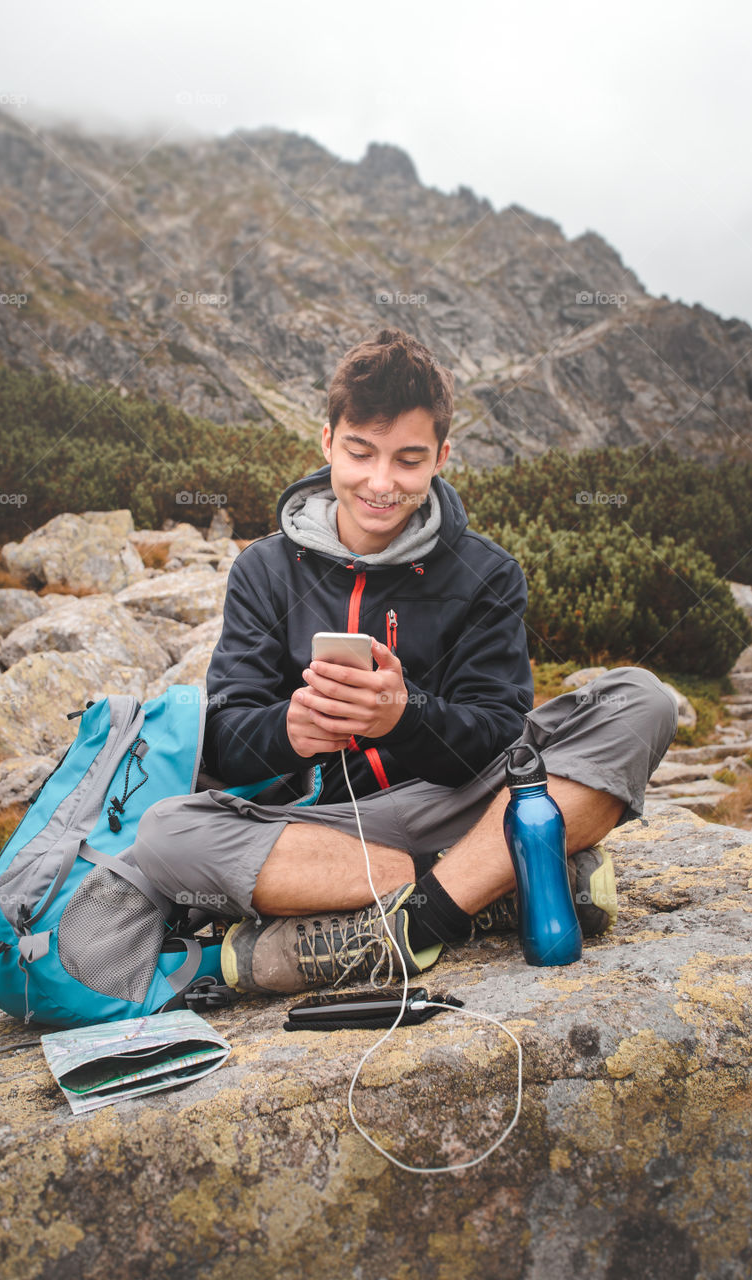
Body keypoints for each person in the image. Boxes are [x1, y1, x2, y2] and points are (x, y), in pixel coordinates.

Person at [130, 329, 677, 995]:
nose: (380, 483)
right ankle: (498, 885)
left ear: (441, 457)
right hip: (328, 829)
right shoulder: (263, 571)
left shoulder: (485, 572)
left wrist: (404, 715)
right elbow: (224, 737)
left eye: (408, 461)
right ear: (327, 440)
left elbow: (498, 737)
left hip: (466, 801)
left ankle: (415, 925)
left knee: (639, 699)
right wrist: (291, 731)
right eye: (360, 453)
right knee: (161, 834)